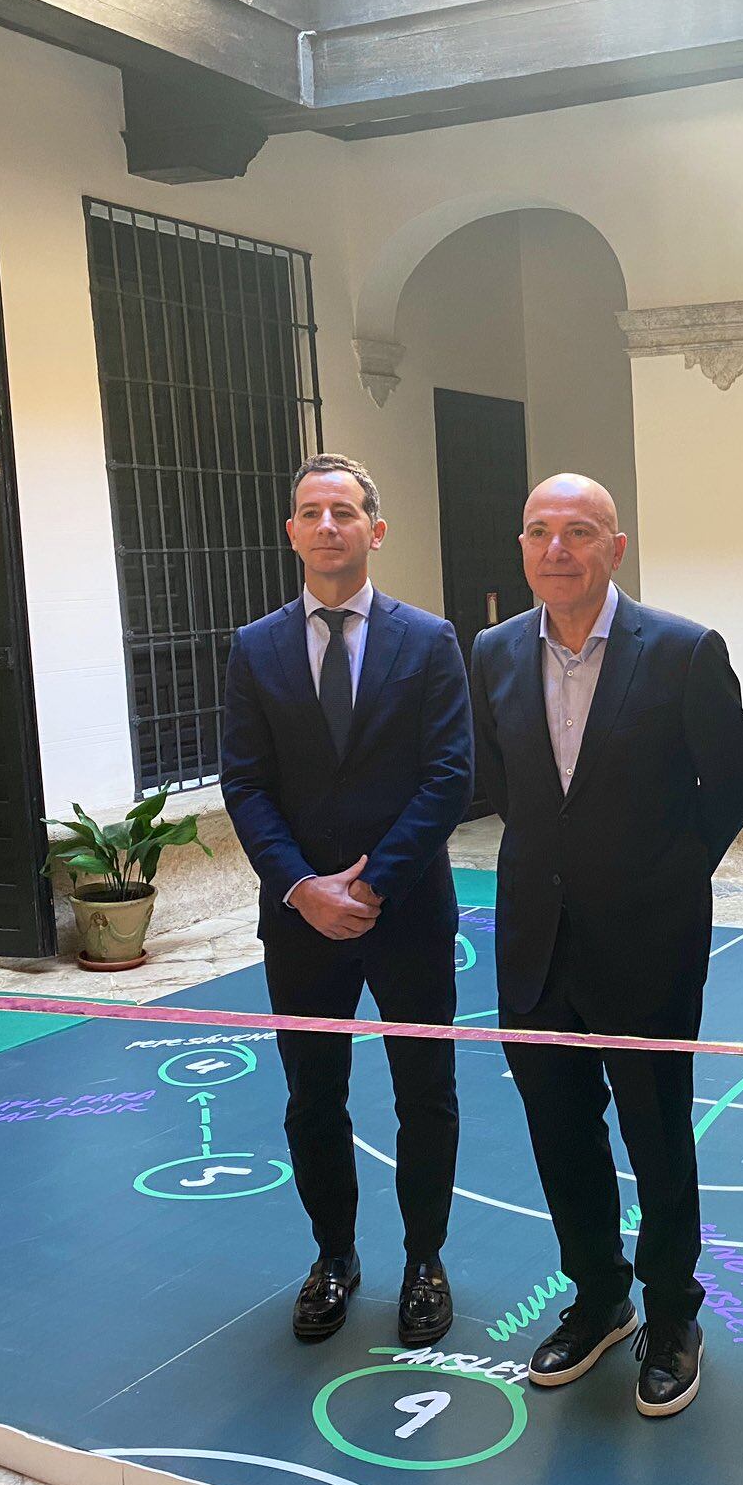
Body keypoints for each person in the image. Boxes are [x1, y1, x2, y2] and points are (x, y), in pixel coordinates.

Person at [468, 473, 743, 1419]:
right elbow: (500, 782)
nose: (559, 550)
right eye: (541, 532)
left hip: (648, 943)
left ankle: (673, 1314)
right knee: (560, 1132)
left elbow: (731, 783)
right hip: (534, 944)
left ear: (616, 548)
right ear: (522, 548)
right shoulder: (494, 652)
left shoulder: (681, 651)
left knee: (658, 1137)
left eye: (580, 532)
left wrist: (666, 880)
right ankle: (598, 1298)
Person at [220, 452, 474, 1347]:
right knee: (312, 1097)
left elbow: (450, 777)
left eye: (344, 510)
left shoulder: (431, 640)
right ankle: (334, 1256)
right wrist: (301, 888)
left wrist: (366, 885)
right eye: (310, 511)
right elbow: (246, 785)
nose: (327, 525)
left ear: (376, 528)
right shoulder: (255, 648)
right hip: (300, 921)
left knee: (424, 1094)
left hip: (404, 912)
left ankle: (424, 1261)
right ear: (291, 532)